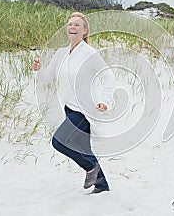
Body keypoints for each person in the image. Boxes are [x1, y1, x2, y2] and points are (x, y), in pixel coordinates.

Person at [31, 12, 115, 193]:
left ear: (85, 31)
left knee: (59, 142)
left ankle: (91, 169)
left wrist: (104, 100)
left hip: (85, 110)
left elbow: (109, 76)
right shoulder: (61, 54)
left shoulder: (89, 53)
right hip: (69, 108)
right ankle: (102, 186)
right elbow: (47, 78)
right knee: (84, 149)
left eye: (77, 25)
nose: (73, 27)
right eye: (70, 24)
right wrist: (38, 70)